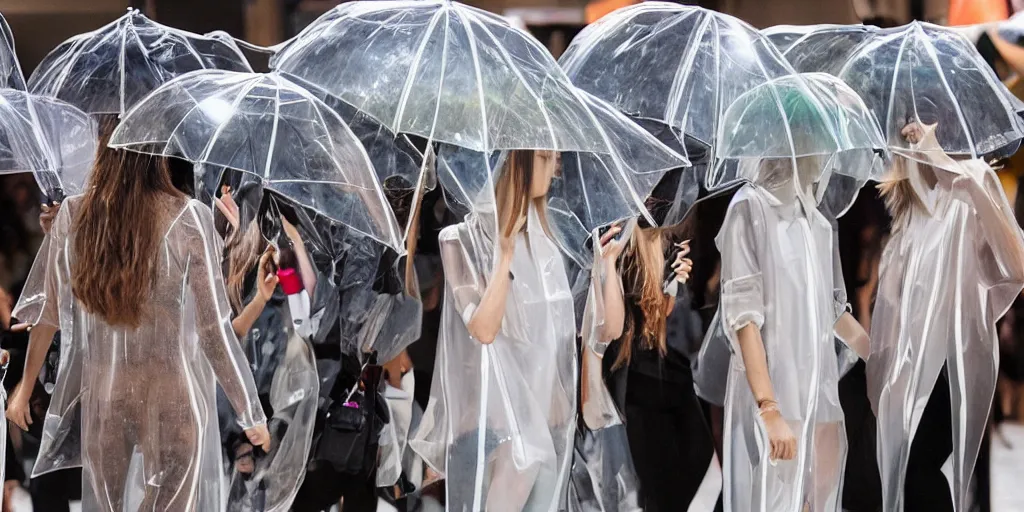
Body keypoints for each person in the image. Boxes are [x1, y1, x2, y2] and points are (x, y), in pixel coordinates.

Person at [6, 115, 269, 511]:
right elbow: (213, 329)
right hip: (173, 395)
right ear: (158, 150)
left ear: (103, 146)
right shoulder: (188, 217)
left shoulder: (76, 217)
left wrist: (24, 388)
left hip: (107, 396)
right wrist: (249, 410)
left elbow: (48, 313)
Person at [411, 149, 626, 511]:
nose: (556, 166)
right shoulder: (461, 240)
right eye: (545, 156)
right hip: (497, 434)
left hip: (549, 429)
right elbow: (483, 327)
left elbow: (606, 331)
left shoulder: (551, 245)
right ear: (516, 162)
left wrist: (608, 267)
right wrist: (504, 255)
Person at [867, 122, 1024, 512]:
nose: (913, 128)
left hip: (950, 363)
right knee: (901, 475)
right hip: (908, 366)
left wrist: (963, 180)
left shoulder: (975, 177)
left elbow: (1017, 267)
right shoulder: (908, 193)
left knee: (918, 470)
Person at [713, 155, 860, 511]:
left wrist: (879, 356)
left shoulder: (817, 221)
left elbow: (830, 311)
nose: (826, 154)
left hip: (819, 397)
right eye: (817, 139)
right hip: (774, 391)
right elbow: (744, 318)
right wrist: (769, 407)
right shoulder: (750, 208)